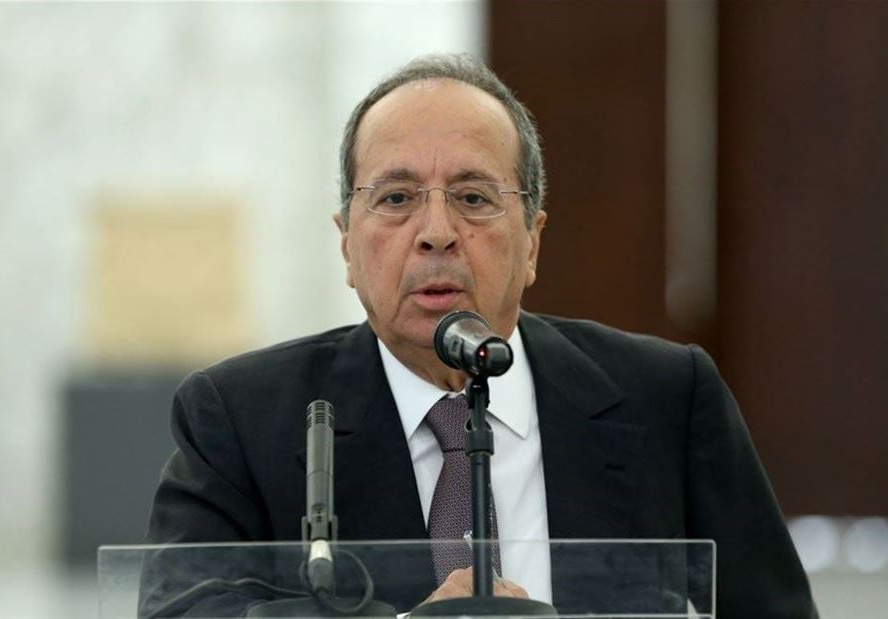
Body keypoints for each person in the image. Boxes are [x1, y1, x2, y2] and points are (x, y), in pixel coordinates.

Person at [144, 54, 818, 617]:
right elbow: (182, 611)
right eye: (397, 198)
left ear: (532, 243)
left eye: (473, 197)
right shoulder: (242, 417)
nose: (437, 233)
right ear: (347, 243)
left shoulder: (666, 397)